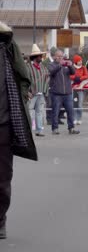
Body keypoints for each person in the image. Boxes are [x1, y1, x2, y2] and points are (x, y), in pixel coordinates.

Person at [0, 21, 38, 239]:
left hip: (3, 121)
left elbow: (24, 77)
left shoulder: (7, 47)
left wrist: (21, 98)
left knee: (2, 178)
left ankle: (0, 220)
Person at [48, 49, 80, 135]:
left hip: (68, 93)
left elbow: (73, 72)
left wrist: (70, 65)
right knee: (55, 111)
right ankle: (55, 129)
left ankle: (71, 128)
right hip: (56, 93)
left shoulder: (66, 64)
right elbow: (51, 72)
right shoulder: (51, 64)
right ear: (54, 57)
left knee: (70, 111)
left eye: (61, 56)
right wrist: (59, 65)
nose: (60, 58)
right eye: (58, 56)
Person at [25, 44, 49, 137]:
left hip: (40, 93)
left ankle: (39, 130)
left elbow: (47, 77)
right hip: (31, 94)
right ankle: (29, 131)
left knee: (39, 112)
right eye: (39, 56)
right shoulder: (28, 67)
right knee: (30, 112)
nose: (41, 57)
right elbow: (25, 80)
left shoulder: (43, 67)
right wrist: (27, 92)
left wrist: (45, 90)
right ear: (35, 57)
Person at [70, 55, 88, 125]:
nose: (81, 62)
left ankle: (79, 118)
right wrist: (74, 78)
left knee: (80, 104)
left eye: (81, 60)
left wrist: (80, 78)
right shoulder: (72, 68)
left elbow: (87, 75)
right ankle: (74, 118)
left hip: (80, 89)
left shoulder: (83, 68)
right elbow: (69, 75)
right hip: (73, 89)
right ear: (76, 62)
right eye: (79, 61)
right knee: (74, 104)